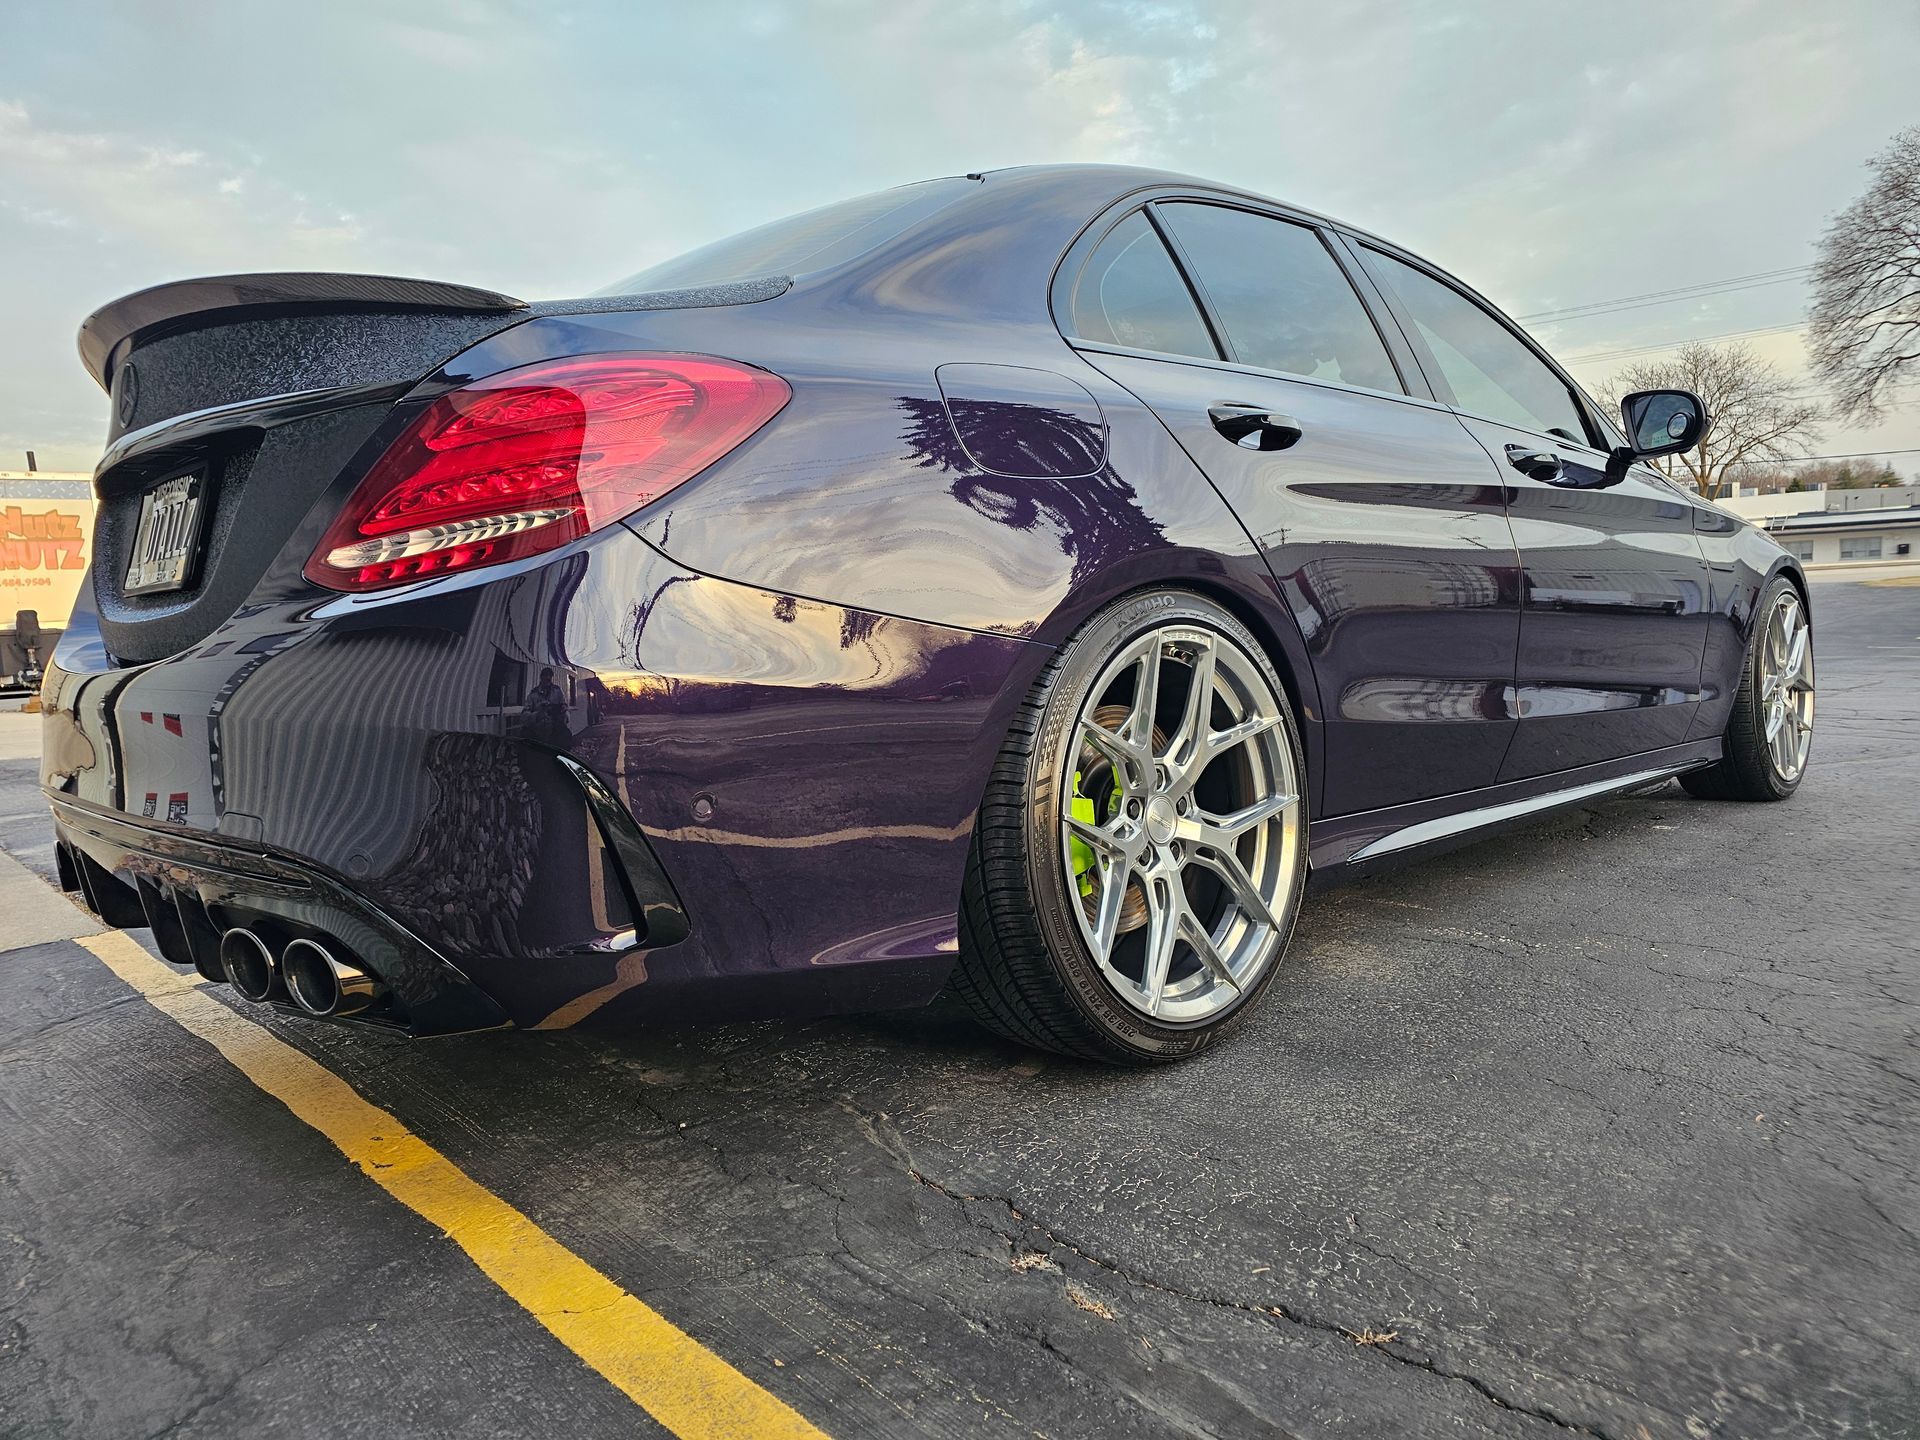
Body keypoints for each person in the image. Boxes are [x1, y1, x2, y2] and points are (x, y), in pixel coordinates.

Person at [525, 667, 571, 748]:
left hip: (556, 733)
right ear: (541, 677)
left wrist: (563, 712)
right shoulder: (533, 694)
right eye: (545, 676)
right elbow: (524, 716)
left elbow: (564, 705)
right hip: (538, 734)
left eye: (550, 676)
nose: (548, 678)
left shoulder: (558, 690)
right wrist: (539, 714)